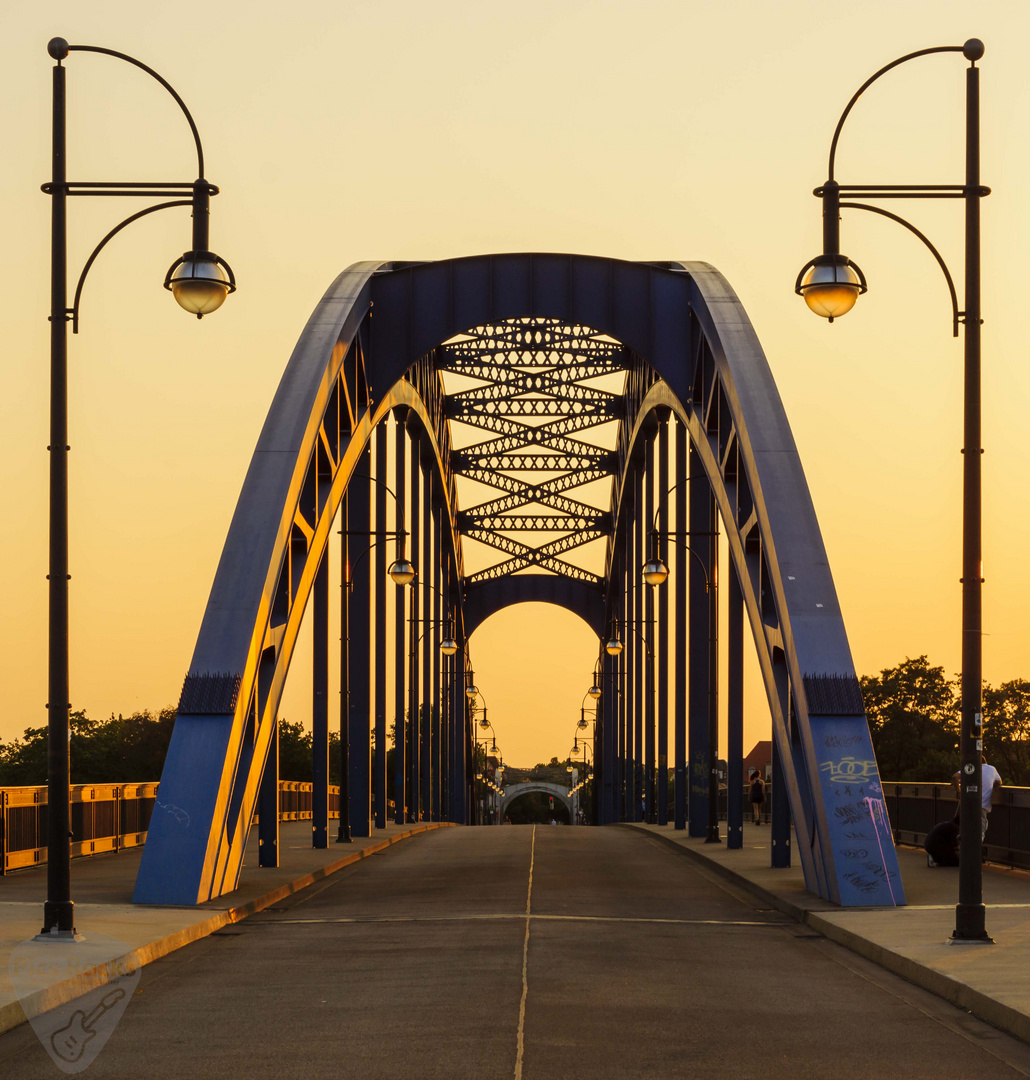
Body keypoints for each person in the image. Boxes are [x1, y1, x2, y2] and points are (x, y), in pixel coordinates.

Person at [952, 754, 1003, 842]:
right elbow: (999, 782)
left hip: (967, 802)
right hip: (982, 804)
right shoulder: (992, 769)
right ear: (985, 761)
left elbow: (955, 777)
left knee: (964, 823)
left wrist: (958, 791)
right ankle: (977, 848)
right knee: (980, 828)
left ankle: (960, 840)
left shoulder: (971, 768)